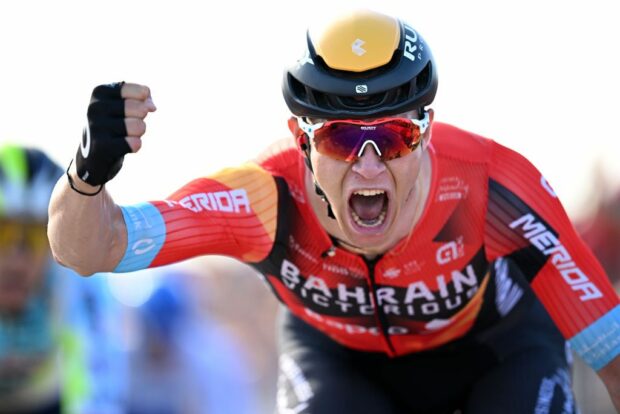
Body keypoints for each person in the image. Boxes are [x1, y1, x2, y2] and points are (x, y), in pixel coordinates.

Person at [48, 9, 620, 414]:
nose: (369, 167)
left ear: (425, 131)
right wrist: (87, 175)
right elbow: (89, 249)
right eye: (342, 140)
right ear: (301, 138)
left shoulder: (494, 188)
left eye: (394, 137)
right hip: (344, 367)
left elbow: (612, 355)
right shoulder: (262, 200)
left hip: (497, 354)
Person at [0, 144, 126, 414]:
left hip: (43, 398)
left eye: (35, 237)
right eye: (3, 233)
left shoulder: (74, 282)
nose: (16, 260)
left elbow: (99, 387)